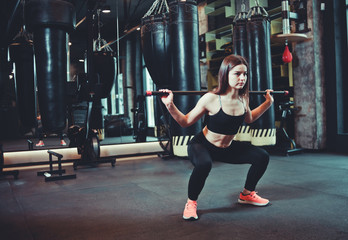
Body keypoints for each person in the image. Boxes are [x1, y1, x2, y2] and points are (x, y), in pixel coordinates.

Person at [160, 54, 274, 221]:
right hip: (202, 145)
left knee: (262, 156)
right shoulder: (211, 98)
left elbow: (249, 118)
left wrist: (267, 103)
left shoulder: (243, 98)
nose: (242, 78)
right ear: (225, 74)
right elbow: (185, 122)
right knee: (205, 164)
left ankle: (247, 194)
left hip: (226, 148)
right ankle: (191, 202)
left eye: (245, 74)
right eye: (237, 74)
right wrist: (170, 105)